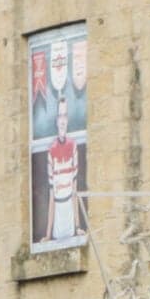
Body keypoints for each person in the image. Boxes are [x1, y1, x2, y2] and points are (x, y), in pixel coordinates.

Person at [44, 98, 82, 245]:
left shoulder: (73, 146)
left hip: (70, 216)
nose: (62, 120)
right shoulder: (51, 150)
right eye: (60, 116)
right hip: (58, 217)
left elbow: (75, 190)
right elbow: (51, 196)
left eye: (65, 116)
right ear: (56, 120)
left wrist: (78, 226)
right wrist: (48, 234)